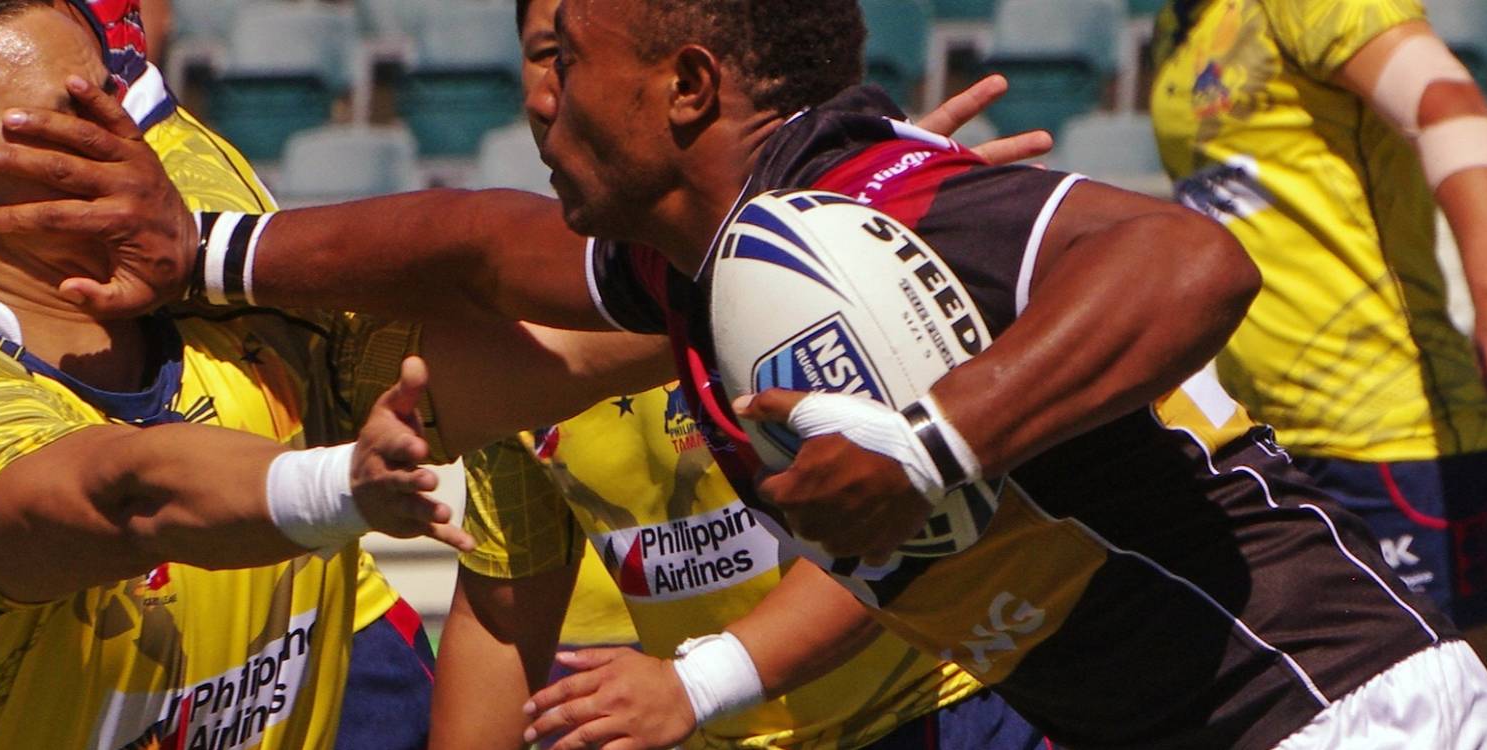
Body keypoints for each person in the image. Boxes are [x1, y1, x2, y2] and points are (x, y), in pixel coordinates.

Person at [0, 0, 1487, 745]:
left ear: (689, 83)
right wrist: (203, 251)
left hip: (1329, 711)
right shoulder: (698, 261)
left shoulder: (858, 202)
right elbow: (474, 244)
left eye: (562, 54)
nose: (535, 93)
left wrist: (925, 445)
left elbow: (1192, 262)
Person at [0, 2, 485, 747]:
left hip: (351, 658)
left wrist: (621, 274)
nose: (121, 142)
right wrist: (333, 484)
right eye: (73, 117)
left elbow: (517, 282)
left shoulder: (174, 176)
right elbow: (128, 489)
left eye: (111, 97)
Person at [432, 1, 1047, 747]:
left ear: (686, 79)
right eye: (546, 54)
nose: (549, 91)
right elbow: (503, 618)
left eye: (577, 56)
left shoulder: (827, 280)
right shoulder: (531, 338)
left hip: (931, 715)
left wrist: (699, 681)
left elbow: (896, 535)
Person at [1150, 2, 1487, 746]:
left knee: (1484, 708)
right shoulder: (1177, 28)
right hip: (1269, 434)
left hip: (1393, 426)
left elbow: (1447, 103)